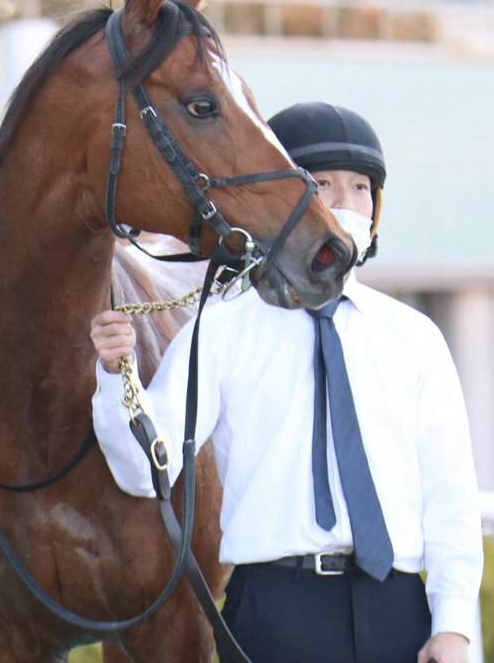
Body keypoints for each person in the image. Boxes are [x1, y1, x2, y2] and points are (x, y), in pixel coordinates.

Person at [89, 103, 481, 663]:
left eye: (361, 188)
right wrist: (114, 374)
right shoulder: (219, 332)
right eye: (322, 184)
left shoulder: (415, 338)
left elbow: (449, 496)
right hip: (273, 609)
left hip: (398, 610)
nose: (344, 204)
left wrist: (453, 626)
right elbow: (143, 469)